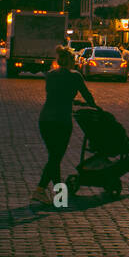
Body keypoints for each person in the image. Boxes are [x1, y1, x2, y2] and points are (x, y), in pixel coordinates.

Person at [33, 47, 97, 204]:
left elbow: (55, 94)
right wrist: (95, 107)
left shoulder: (51, 75)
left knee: (54, 157)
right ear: (71, 61)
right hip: (62, 120)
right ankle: (40, 190)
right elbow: (87, 95)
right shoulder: (75, 76)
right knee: (56, 157)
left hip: (45, 119)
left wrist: (72, 101)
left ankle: (60, 197)